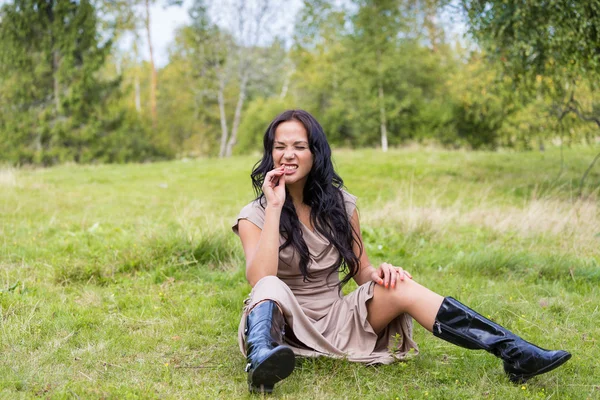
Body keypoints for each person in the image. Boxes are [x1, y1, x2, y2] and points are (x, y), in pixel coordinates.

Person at [231, 109, 571, 394]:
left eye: (299, 146)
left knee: (400, 286)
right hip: (284, 325)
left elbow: (361, 269)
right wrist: (275, 206)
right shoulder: (255, 214)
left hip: (336, 318)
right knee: (271, 286)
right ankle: (262, 361)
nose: (288, 154)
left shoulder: (340, 205)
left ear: (315, 152)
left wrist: (380, 275)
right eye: (280, 147)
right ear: (270, 153)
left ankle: (514, 352)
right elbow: (261, 279)